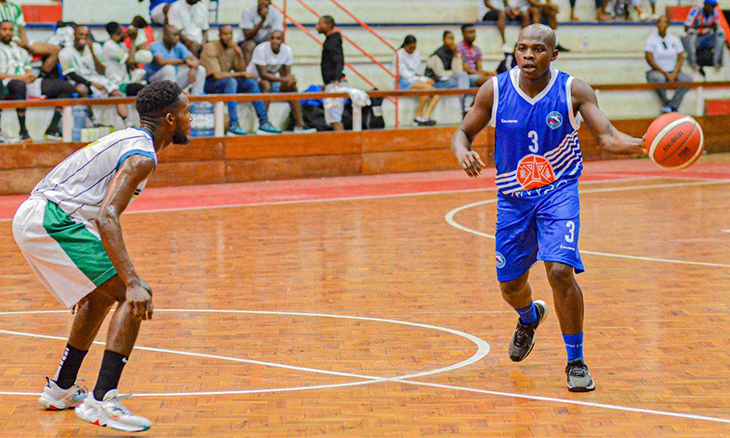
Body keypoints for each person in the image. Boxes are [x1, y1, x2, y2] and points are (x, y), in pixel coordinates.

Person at [450, 25, 644, 392]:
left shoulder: (574, 90)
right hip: (512, 199)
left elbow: (606, 137)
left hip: (558, 193)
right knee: (510, 287)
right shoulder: (495, 89)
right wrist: (462, 151)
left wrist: (644, 144)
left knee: (559, 271)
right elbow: (462, 133)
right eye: (522, 48)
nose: (527, 55)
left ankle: (575, 361)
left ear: (553, 55)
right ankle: (528, 317)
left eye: (537, 49)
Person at [12, 79, 190, 432]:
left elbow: (94, 211)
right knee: (132, 295)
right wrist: (134, 281)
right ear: (169, 119)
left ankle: (61, 389)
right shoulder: (142, 155)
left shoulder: (131, 140)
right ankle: (103, 400)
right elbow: (108, 215)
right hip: (52, 218)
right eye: (186, 111)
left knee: (100, 298)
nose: (191, 118)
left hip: (44, 217)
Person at [0, 20, 75, 142]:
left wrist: (31, 76)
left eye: (10, 30)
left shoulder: (20, 49)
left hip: (27, 82)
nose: (8, 33)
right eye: (4, 30)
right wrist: (21, 78)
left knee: (66, 86)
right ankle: (23, 131)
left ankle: (52, 128)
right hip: (7, 84)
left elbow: (27, 68)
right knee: (19, 85)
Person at [200, 25, 280, 135]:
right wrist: (241, 73)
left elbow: (241, 69)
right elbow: (217, 75)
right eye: (225, 34)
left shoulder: (232, 47)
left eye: (230, 34)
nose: (228, 37)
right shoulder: (211, 47)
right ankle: (233, 124)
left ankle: (264, 122)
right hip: (210, 84)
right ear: (219, 35)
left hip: (227, 83)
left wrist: (239, 54)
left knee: (251, 83)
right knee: (231, 81)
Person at [59, 26, 131, 127]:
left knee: (116, 93)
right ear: (74, 35)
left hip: (97, 78)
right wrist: (92, 83)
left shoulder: (95, 47)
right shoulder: (65, 52)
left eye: (86, 35)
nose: (83, 37)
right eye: (81, 34)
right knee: (82, 89)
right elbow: (71, 75)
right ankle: (94, 120)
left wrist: (92, 52)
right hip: (77, 80)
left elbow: (102, 70)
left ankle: (128, 123)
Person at [248, 30, 313, 133]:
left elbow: (286, 75)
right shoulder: (260, 49)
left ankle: (300, 125)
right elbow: (263, 75)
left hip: (272, 81)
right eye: (272, 38)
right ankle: (263, 123)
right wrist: (285, 79)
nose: (274, 41)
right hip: (253, 82)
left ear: (283, 40)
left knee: (291, 87)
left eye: (278, 39)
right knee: (266, 85)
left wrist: (290, 80)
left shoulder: (287, 50)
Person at [0, 0, 61, 77]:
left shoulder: (15, 7)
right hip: (3, 42)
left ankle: (40, 77)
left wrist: (25, 44)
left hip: (18, 40)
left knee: (56, 50)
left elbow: (21, 27)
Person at [645, 16, 692, 113]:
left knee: (687, 80)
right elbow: (649, 59)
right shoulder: (651, 39)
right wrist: (665, 73)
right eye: (660, 22)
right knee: (659, 79)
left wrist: (674, 73)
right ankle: (666, 103)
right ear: (657, 25)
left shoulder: (674, 39)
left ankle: (672, 106)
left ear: (668, 25)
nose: (662, 25)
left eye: (665, 22)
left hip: (672, 70)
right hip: (656, 71)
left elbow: (680, 57)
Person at [146, 26, 206, 95]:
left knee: (200, 69)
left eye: (178, 35)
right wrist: (185, 61)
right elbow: (161, 61)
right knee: (169, 68)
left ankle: (197, 100)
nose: (177, 37)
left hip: (173, 81)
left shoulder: (178, 46)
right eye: (174, 35)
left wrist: (193, 68)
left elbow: (195, 60)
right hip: (155, 82)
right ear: (165, 35)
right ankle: (170, 99)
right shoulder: (155, 45)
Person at [395, 35, 439, 126]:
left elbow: (418, 72)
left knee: (437, 93)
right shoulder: (399, 54)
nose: (412, 50)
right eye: (410, 48)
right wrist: (423, 79)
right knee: (428, 88)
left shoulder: (416, 54)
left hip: (416, 79)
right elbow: (404, 74)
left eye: (414, 48)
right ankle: (417, 116)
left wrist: (423, 79)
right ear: (405, 46)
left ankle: (425, 116)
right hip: (403, 82)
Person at [425, 31, 470, 116]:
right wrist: (453, 73)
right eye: (449, 38)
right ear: (443, 40)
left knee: (463, 75)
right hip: (437, 82)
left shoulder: (452, 52)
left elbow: (458, 70)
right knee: (458, 82)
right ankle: (464, 103)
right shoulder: (437, 54)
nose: (451, 41)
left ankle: (465, 103)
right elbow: (440, 74)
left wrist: (456, 55)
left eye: (453, 39)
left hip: (449, 80)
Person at [316, 15, 347, 131]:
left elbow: (339, 60)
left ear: (329, 25)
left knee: (334, 118)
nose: (317, 26)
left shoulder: (333, 41)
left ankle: (344, 145)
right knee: (331, 118)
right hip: (331, 82)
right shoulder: (330, 40)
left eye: (320, 24)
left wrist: (336, 80)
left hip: (336, 84)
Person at [103, 22, 146, 97]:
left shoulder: (120, 44)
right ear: (118, 31)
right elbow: (130, 61)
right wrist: (132, 40)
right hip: (117, 84)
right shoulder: (110, 45)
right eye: (122, 30)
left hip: (126, 81)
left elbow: (131, 64)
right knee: (143, 89)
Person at [682, 0, 726, 71]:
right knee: (691, 33)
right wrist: (703, 26)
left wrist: (714, 27)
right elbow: (686, 27)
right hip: (696, 39)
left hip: (708, 38)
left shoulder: (715, 12)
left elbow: (716, 28)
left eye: (714, 6)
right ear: (705, 5)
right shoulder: (696, 11)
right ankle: (692, 62)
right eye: (711, 6)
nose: (712, 8)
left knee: (720, 33)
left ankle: (716, 62)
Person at [239, 0, 284, 67]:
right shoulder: (248, 12)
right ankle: (247, 73)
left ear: (270, 2)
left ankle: (272, 71)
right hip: (249, 41)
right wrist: (263, 20)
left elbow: (277, 32)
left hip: (266, 41)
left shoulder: (275, 12)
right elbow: (247, 36)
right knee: (249, 46)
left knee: (277, 44)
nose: (263, 2)